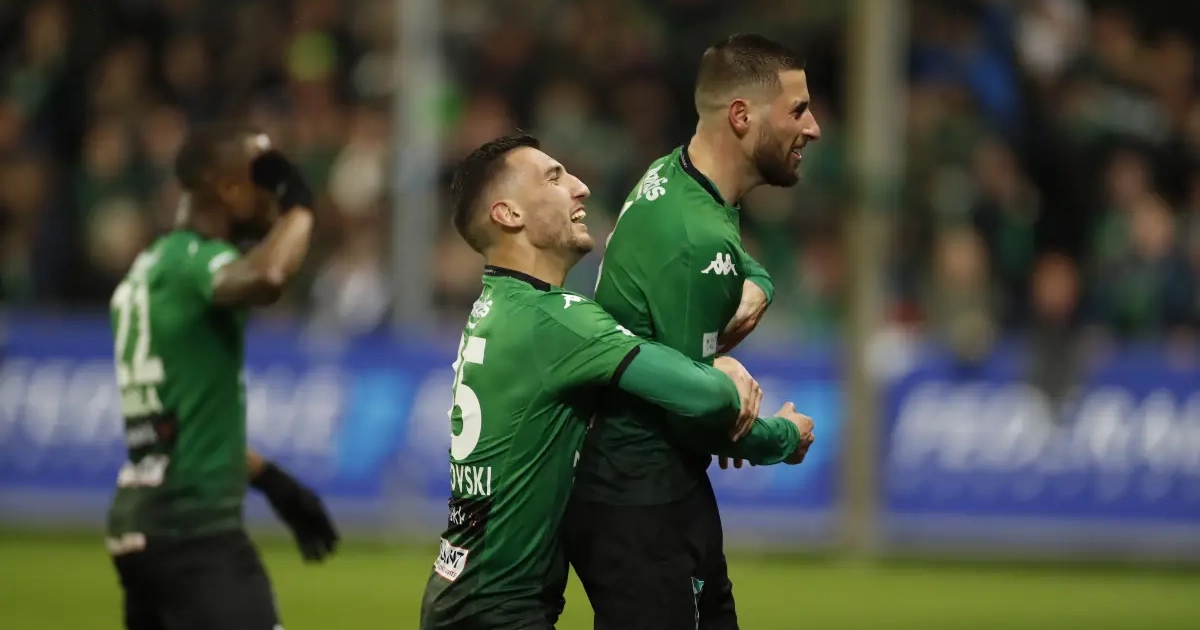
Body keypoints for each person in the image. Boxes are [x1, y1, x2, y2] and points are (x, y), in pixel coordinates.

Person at [419, 134, 812, 630]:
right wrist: (782, 432)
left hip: (463, 595)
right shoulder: (559, 323)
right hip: (497, 613)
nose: (580, 187)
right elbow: (708, 395)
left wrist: (751, 295)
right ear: (509, 214)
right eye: (553, 178)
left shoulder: (499, 309)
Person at [566, 33, 822, 630]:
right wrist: (784, 436)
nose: (812, 129)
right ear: (742, 116)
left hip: (660, 490)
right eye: (798, 110)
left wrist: (760, 286)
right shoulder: (697, 237)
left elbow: (739, 272)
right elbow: (694, 410)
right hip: (639, 504)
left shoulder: (673, 177)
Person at [105, 123, 340, 630]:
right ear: (230, 188)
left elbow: (180, 421)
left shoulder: (150, 268)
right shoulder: (194, 262)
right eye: (265, 179)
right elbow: (267, 276)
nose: (273, 194)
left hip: (144, 528)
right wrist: (300, 205)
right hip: (191, 532)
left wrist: (271, 480)